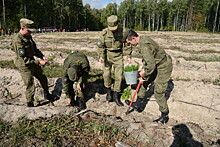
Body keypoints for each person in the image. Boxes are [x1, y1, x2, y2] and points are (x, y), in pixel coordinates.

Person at [124, 30, 173, 124]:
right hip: (156, 64)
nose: (130, 45)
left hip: (163, 66)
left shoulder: (144, 46)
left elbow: (151, 66)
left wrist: (144, 74)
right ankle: (138, 104)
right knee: (144, 82)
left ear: (133, 38)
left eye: (129, 42)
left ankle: (164, 115)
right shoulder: (143, 39)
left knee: (158, 92)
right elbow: (150, 59)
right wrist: (144, 70)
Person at [12, 18, 53, 107]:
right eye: (29, 30)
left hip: (32, 62)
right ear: (22, 28)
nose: (31, 32)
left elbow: (35, 49)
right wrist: (39, 62)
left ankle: (47, 94)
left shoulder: (28, 37)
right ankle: (30, 102)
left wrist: (42, 56)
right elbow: (24, 59)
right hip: (25, 65)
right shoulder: (17, 40)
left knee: (42, 77)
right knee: (30, 84)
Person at [97, 15, 131, 106]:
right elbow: (101, 46)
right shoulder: (104, 33)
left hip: (118, 56)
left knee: (119, 76)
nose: (113, 30)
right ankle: (108, 92)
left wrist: (128, 55)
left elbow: (127, 44)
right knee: (106, 74)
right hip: (108, 55)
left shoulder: (123, 31)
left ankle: (116, 95)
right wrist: (101, 56)